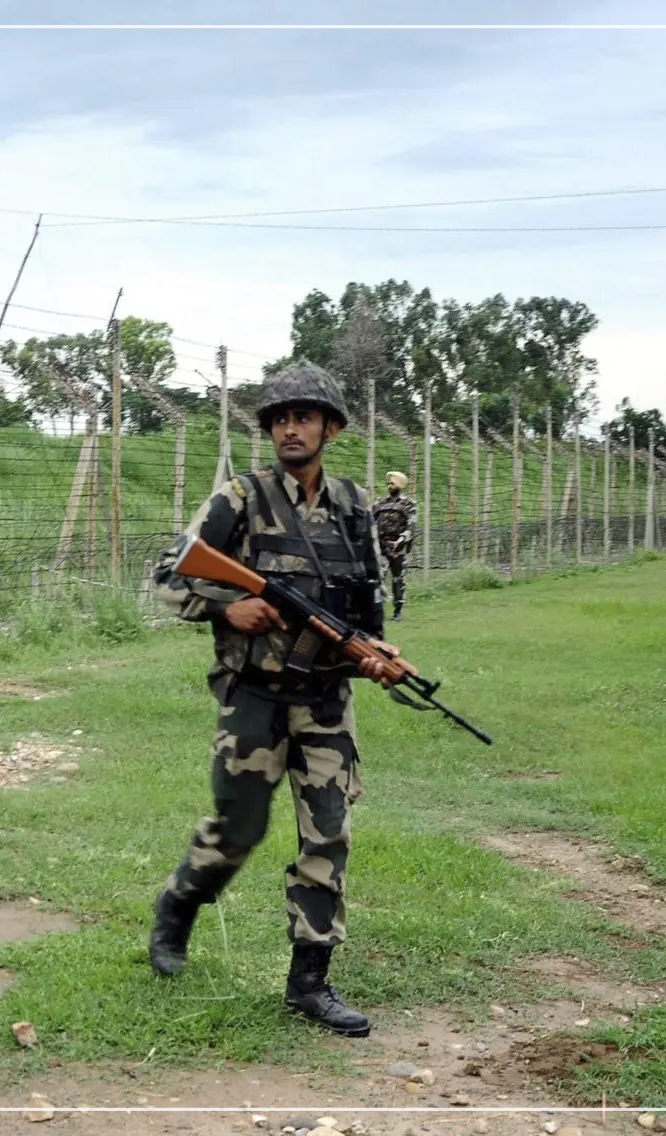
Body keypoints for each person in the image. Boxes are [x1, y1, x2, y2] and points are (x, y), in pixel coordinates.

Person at [144, 361, 404, 1039]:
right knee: (240, 829)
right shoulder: (239, 497)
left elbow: (367, 612)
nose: (291, 428)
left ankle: (309, 983)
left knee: (329, 831)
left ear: (331, 428)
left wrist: (377, 656)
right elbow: (169, 581)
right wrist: (229, 608)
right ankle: (179, 905)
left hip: (324, 700)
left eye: (304, 417)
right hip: (252, 697)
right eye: (281, 418)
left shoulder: (354, 508)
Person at [373, 470, 417, 621]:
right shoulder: (379, 503)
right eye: (388, 483)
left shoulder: (409, 504)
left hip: (399, 548)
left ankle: (397, 610)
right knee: (377, 578)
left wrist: (401, 540)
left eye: (392, 482)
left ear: (400, 484)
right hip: (381, 546)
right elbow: (370, 522)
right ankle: (375, 610)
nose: (389, 485)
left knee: (398, 580)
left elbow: (411, 526)